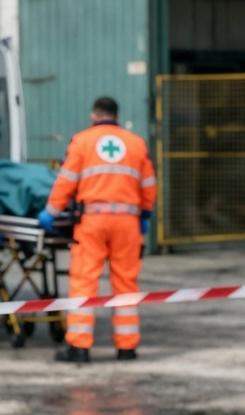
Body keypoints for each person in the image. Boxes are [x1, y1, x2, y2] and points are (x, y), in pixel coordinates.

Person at [38, 96, 157, 363]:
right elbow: (149, 184)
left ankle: (79, 347)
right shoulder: (136, 144)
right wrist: (145, 214)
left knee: (83, 282)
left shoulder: (82, 141)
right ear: (117, 116)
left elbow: (66, 182)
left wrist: (50, 213)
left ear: (94, 115)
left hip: (92, 222)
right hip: (127, 223)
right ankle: (127, 348)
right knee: (126, 283)